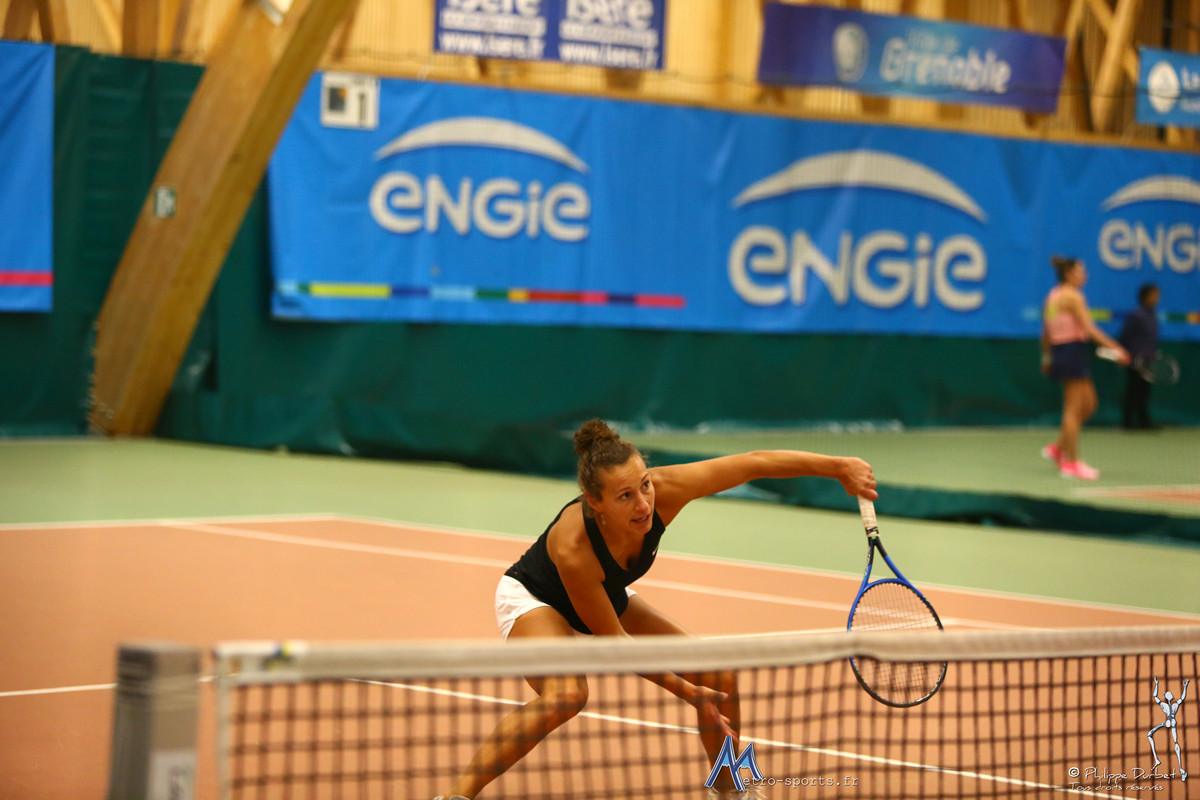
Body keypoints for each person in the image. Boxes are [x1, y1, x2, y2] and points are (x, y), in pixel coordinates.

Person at [434, 419, 877, 800]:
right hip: (537, 597)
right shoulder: (573, 548)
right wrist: (689, 693)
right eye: (625, 496)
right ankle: (457, 795)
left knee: (719, 675)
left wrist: (838, 466)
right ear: (594, 502)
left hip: (606, 592)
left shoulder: (666, 492)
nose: (644, 504)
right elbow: (617, 643)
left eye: (644, 485)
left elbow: (754, 462)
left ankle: (729, 788)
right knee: (566, 695)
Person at [1039, 256, 1128, 480]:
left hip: (1062, 352)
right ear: (1068, 274)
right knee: (1073, 409)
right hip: (1071, 352)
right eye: (1080, 271)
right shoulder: (1073, 296)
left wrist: (1047, 358)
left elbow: (1047, 332)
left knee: (1089, 404)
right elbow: (1089, 329)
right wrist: (1116, 348)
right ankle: (1071, 463)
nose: (1085, 275)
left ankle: (1058, 448)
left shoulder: (1052, 296)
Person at [1118, 282, 1161, 430]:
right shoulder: (1136, 316)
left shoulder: (1153, 315)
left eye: (1157, 295)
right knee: (1133, 390)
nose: (1157, 297)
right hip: (1135, 359)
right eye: (1154, 294)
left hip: (1149, 360)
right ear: (1145, 296)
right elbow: (1125, 337)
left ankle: (1144, 422)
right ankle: (1127, 422)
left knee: (1144, 391)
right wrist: (1125, 354)